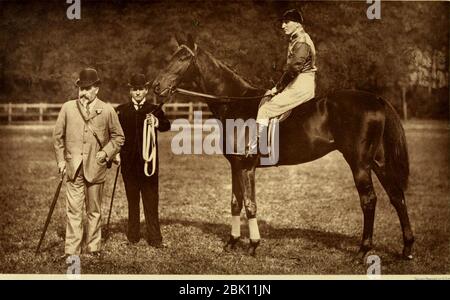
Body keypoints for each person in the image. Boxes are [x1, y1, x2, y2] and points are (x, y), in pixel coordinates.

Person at [53, 67, 124, 258]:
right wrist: (61, 161)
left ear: (96, 88)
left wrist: (106, 153)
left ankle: (93, 248)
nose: (83, 93)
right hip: (73, 168)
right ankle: (71, 252)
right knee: (74, 211)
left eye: (87, 88)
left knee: (94, 211)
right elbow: (58, 137)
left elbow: (118, 137)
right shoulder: (67, 108)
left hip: (96, 168)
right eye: (81, 89)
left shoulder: (107, 110)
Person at [248, 8, 317, 154]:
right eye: (283, 23)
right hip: (298, 82)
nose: (282, 26)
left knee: (265, 110)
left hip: (301, 84)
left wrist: (277, 88)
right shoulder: (297, 39)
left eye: (286, 22)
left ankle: (256, 148)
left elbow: (293, 69)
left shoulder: (302, 42)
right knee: (267, 99)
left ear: (297, 24)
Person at [116, 73, 170, 248]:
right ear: (130, 91)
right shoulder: (121, 111)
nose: (138, 92)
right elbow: (115, 134)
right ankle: (133, 236)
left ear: (146, 90)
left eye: (141, 89)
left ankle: (155, 238)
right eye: (134, 89)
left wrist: (156, 122)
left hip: (149, 164)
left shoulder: (154, 109)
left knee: (151, 200)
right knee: (132, 200)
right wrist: (116, 153)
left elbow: (166, 125)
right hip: (129, 164)